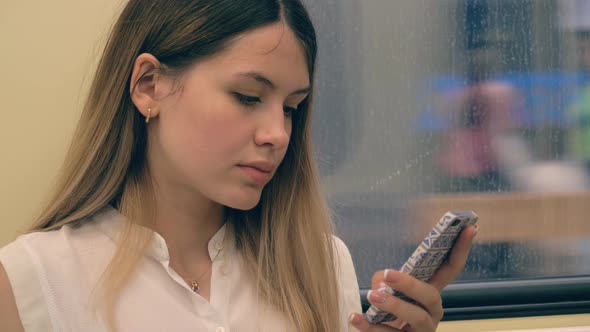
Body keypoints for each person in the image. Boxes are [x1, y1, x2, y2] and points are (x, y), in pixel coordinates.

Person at [0, 1, 477, 331]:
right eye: (247, 97)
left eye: (291, 107)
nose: (278, 134)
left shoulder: (319, 264)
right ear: (148, 86)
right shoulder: (32, 280)